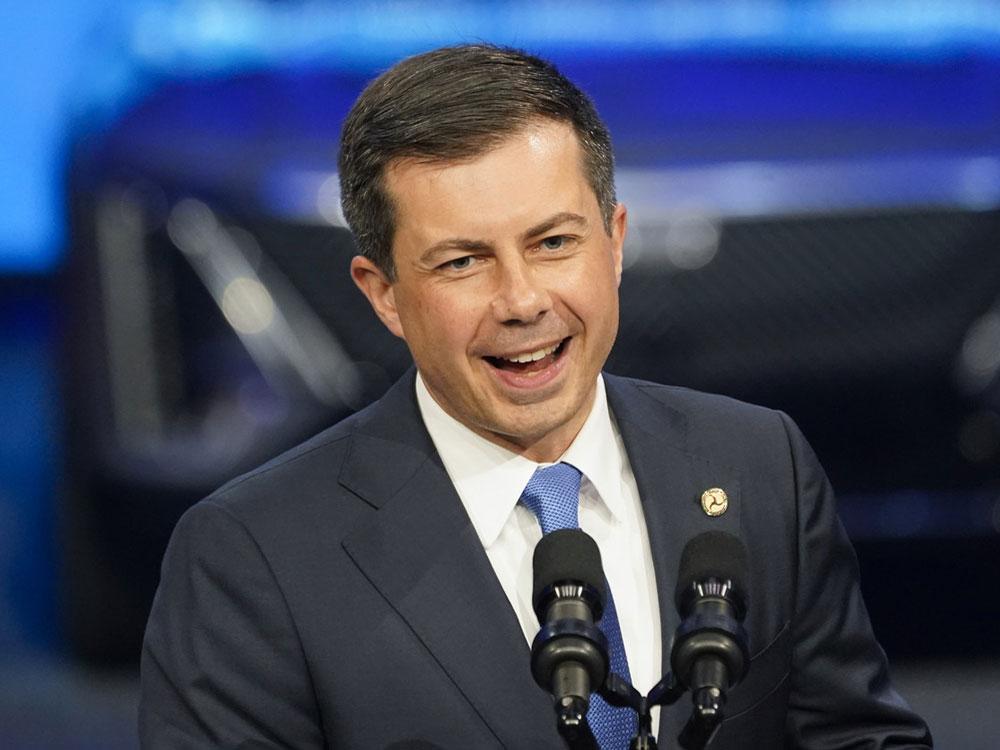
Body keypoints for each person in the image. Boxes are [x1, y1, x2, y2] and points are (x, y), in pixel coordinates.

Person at [139, 44, 932, 749]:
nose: (521, 301)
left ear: (614, 242)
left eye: (554, 243)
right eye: (462, 262)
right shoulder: (253, 557)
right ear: (383, 293)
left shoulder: (760, 467)